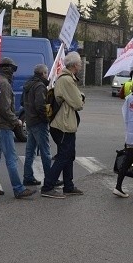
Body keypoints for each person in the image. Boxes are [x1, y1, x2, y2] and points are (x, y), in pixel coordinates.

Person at [0, 57, 34, 199]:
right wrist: (15, 120)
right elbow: (5, 108)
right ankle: (18, 189)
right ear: (9, 69)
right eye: (13, 69)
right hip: (2, 126)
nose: (14, 72)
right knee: (11, 159)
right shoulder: (3, 83)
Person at [40, 52, 85, 199]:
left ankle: (68, 186)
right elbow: (78, 104)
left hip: (63, 123)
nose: (81, 65)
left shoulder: (66, 78)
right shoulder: (67, 80)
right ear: (74, 66)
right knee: (64, 156)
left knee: (68, 155)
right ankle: (48, 186)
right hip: (63, 124)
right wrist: (82, 97)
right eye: (79, 63)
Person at [21, 63, 51, 186]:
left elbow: (22, 102)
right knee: (45, 152)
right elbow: (41, 105)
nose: (47, 75)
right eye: (46, 73)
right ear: (43, 73)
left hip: (30, 121)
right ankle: (50, 178)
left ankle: (28, 177)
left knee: (30, 151)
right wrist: (46, 118)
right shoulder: (40, 86)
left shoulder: (28, 84)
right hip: (39, 122)